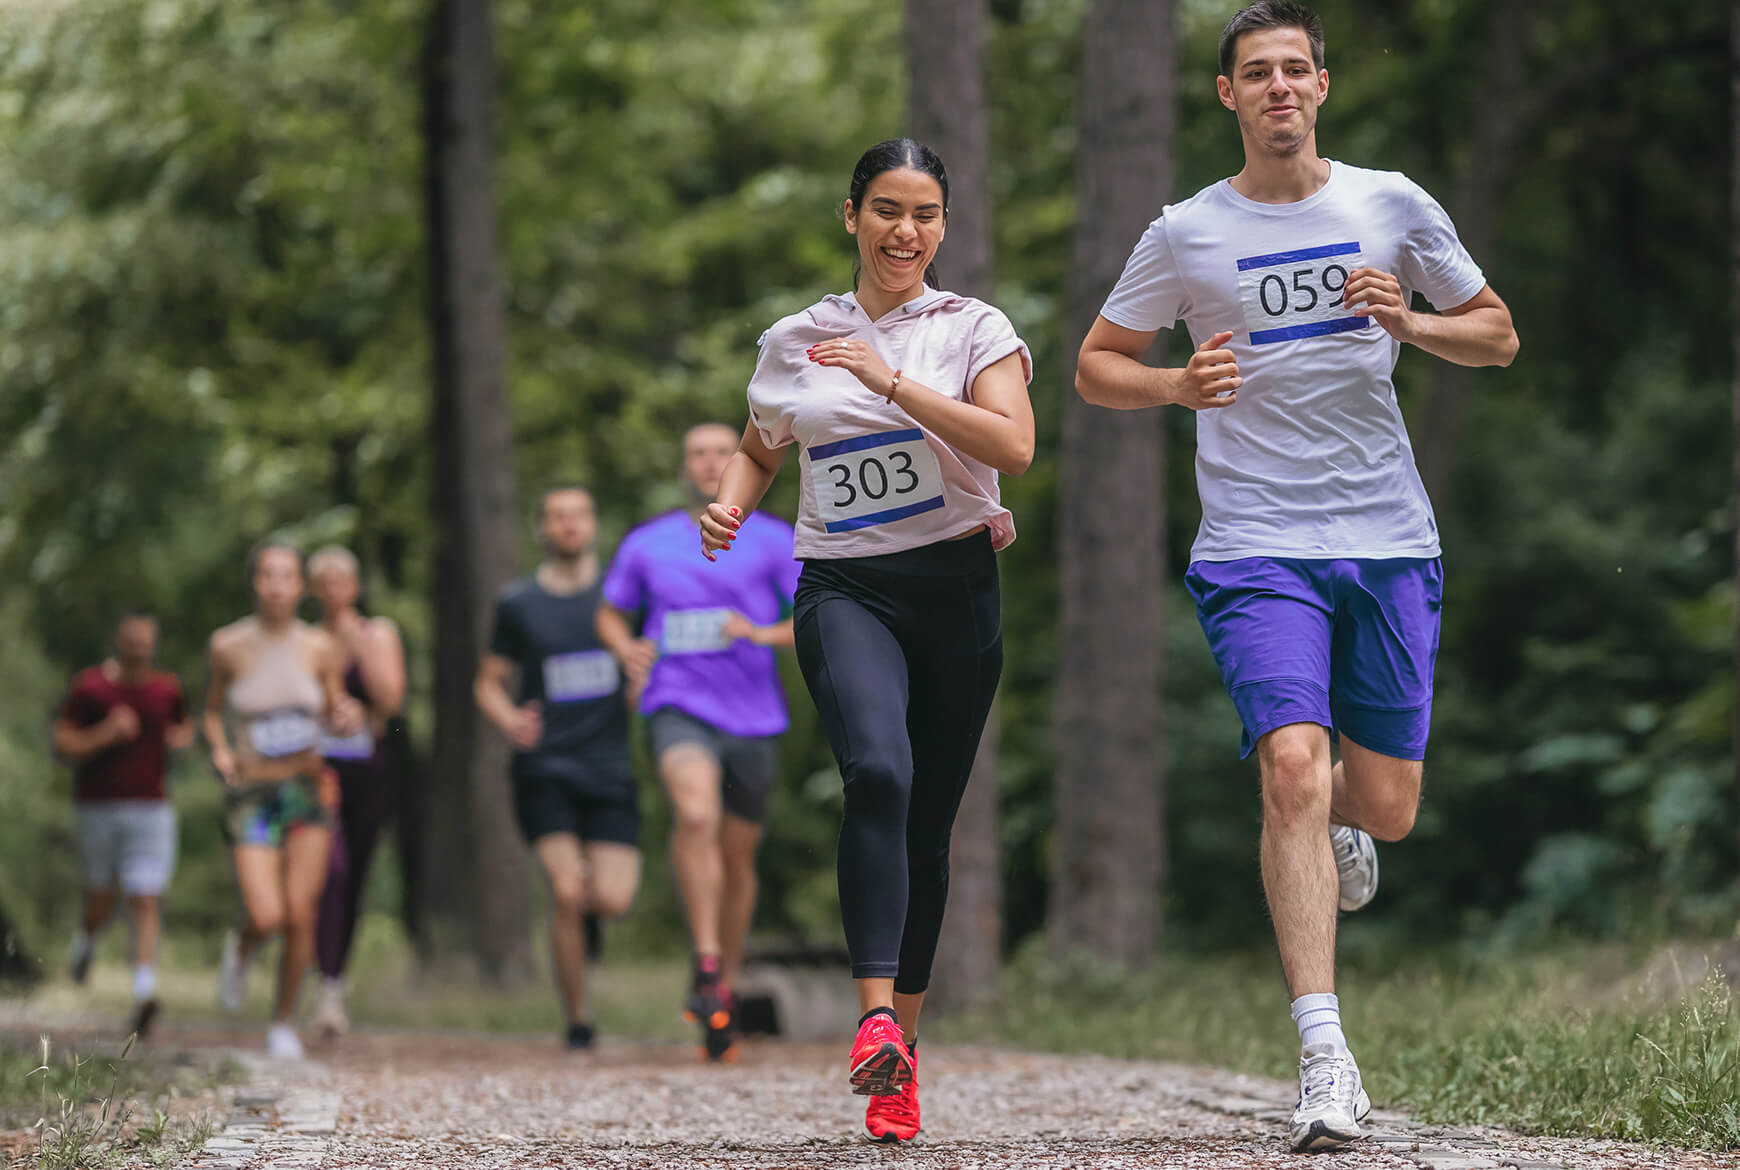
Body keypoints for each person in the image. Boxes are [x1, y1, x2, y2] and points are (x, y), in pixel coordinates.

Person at [1075, 1, 1519, 1152]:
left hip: (1386, 539)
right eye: (1255, 74)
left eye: (1295, 71)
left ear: (1323, 86)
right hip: (1254, 545)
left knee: (1385, 808)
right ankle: (1326, 1056)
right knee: (1291, 769)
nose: (1278, 88)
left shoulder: (1390, 203)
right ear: (1226, 94)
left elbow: (1499, 332)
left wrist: (1414, 325)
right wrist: (1175, 387)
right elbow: (1094, 367)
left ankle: (1345, 837)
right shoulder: (1184, 232)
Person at [699, 138, 1034, 1143]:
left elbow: (1011, 445)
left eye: (925, 214)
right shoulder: (796, 338)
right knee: (877, 775)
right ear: (852, 216)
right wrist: (728, 504)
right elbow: (763, 447)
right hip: (845, 588)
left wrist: (891, 383)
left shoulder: (975, 328)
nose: (906, 231)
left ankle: (901, 1062)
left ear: (944, 225)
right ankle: (873, 1014)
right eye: (887, 209)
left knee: (927, 826)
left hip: (956, 588)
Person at [596, 423, 799, 1063]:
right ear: (685, 466)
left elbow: (817, 610)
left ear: (738, 460)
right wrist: (626, 646)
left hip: (754, 716)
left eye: (721, 451)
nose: (710, 462)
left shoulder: (771, 538)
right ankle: (707, 961)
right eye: (698, 453)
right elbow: (610, 609)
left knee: (737, 861)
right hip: (675, 702)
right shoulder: (648, 542)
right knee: (695, 814)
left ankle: (723, 990)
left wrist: (760, 634)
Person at [476, 484, 642, 1051]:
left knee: (610, 899)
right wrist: (509, 721)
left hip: (610, 765)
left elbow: (647, 661)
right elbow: (488, 684)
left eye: (579, 515)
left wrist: (643, 685)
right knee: (567, 892)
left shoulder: (619, 598)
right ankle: (578, 1020)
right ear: (541, 529)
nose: (569, 525)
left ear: (593, 524)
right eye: (558, 516)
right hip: (545, 766)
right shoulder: (518, 603)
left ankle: (587, 926)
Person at [205, 541, 365, 1060]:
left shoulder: (320, 646)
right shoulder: (227, 646)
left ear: (300, 586)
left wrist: (346, 715)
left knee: (301, 913)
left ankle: (281, 1022)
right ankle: (244, 944)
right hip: (253, 793)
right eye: (267, 575)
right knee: (267, 912)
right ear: (255, 583)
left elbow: (335, 702)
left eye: (287, 576)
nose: (277, 586)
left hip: (307, 791)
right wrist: (222, 751)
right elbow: (210, 713)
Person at [54, 610, 194, 1039]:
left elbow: (183, 728)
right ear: (117, 640)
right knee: (101, 896)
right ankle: (86, 943)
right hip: (97, 808)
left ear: (154, 644)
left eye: (145, 640)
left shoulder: (166, 689)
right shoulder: (91, 687)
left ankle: (144, 991)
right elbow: (62, 743)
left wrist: (181, 740)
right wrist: (106, 734)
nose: (138, 646)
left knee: (144, 896)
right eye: (131, 639)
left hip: (151, 808)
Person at [306, 546, 406, 1038]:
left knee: (355, 874)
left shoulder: (377, 633)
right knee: (331, 870)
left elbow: (391, 699)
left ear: (356, 586)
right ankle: (324, 983)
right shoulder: (305, 640)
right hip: (314, 770)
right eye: (322, 582)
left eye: (341, 581)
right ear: (312, 590)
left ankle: (334, 979)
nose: (333, 591)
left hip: (366, 768)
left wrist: (356, 647)